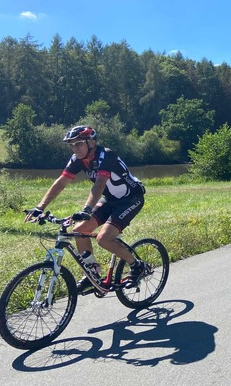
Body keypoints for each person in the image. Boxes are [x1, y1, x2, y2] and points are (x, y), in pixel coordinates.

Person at [25, 126, 147, 294]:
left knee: (104, 238)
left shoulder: (106, 155)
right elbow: (61, 182)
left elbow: (99, 184)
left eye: (79, 144)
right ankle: (93, 273)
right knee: (79, 230)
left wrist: (87, 209)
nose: (75, 149)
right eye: (72, 145)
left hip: (131, 199)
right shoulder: (77, 159)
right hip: (111, 200)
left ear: (92, 142)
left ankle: (137, 266)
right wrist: (40, 207)